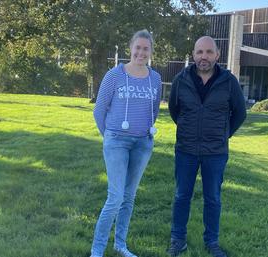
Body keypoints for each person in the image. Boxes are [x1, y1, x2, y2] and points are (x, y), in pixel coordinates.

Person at [167, 36, 247, 257]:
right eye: (200, 52)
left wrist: (223, 135)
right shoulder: (180, 80)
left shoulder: (228, 81)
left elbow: (240, 113)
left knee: (213, 198)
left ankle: (211, 242)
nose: (204, 57)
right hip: (186, 150)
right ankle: (178, 240)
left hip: (216, 153)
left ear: (217, 55)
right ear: (193, 54)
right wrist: (189, 131)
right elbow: (175, 111)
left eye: (209, 52)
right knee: (182, 196)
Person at [91, 29, 162, 257]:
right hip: (117, 142)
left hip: (143, 143)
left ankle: (120, 245)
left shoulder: (155, 78)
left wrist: (146, 133)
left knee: (129, 197)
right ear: (130, 48)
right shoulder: (114, 75)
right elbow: (99, 110)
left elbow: (154, 110)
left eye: (146, 48)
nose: (141, 52)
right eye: (138, 47)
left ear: (151, 51)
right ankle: (97, 250)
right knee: (116, 197)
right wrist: (109, 137)